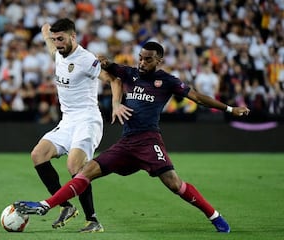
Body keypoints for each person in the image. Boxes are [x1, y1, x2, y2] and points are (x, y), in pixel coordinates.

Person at [14, 41, 250, 233]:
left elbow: (197, 98)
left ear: (159, 61)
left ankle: (214, 216)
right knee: (85, 172)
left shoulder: (167, 81)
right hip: (126, 143)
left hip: (149, 141)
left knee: (174, 184)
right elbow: (107, 71)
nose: (142, 62)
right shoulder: (128, 73)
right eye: (140, 57)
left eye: (148, 59)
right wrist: (109, 81)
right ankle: (47, 205)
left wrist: (230, 109)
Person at [27, 18, 123, 233]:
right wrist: (46, 33)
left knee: (74, 166)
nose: (57, 44)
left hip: (87, 120)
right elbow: (50, 43)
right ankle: (66, 207)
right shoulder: (58, 51)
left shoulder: (86, 59)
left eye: (61, 39)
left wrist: (116, 104)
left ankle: (93, 220)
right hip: (67, 120)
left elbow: (115, 80)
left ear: (73, 37)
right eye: (55, 40)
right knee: (38, 155)